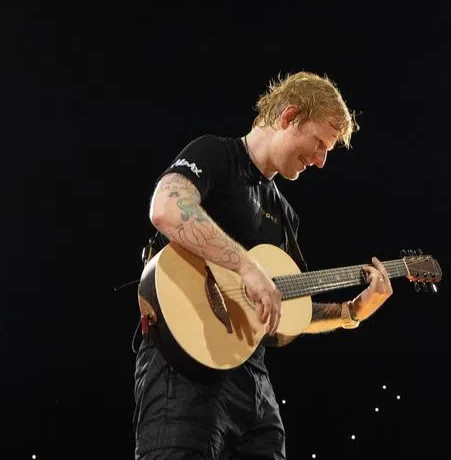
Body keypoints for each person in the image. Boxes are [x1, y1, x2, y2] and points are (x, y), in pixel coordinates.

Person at [133, 71, 394, 460]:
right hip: (183, 368)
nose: (321, 162)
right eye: (319, 144)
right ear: (288, 117)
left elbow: (288, 307)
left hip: (252, 385)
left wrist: (351, 312)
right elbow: (167, 207)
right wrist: (246, 268)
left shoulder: (285, 215)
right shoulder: (216, 154)